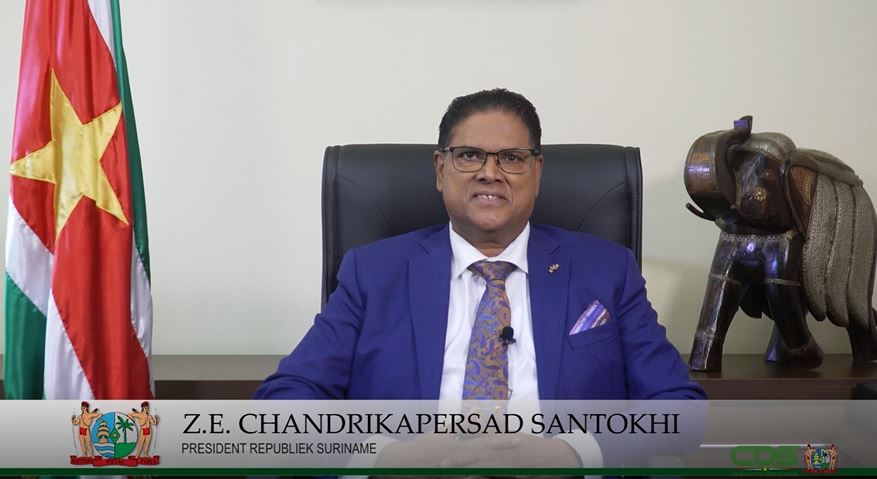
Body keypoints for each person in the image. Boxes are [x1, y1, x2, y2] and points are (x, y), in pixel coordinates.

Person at [255, 88, 705, 467]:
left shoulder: (606, 270)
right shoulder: (372, 273)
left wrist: (574, 453)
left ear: (536, 172)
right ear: (440, 169)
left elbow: (680, 410)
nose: (490, 173)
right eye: (469, 155)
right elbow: (284, 404)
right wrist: (384, 457)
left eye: (511, 158)